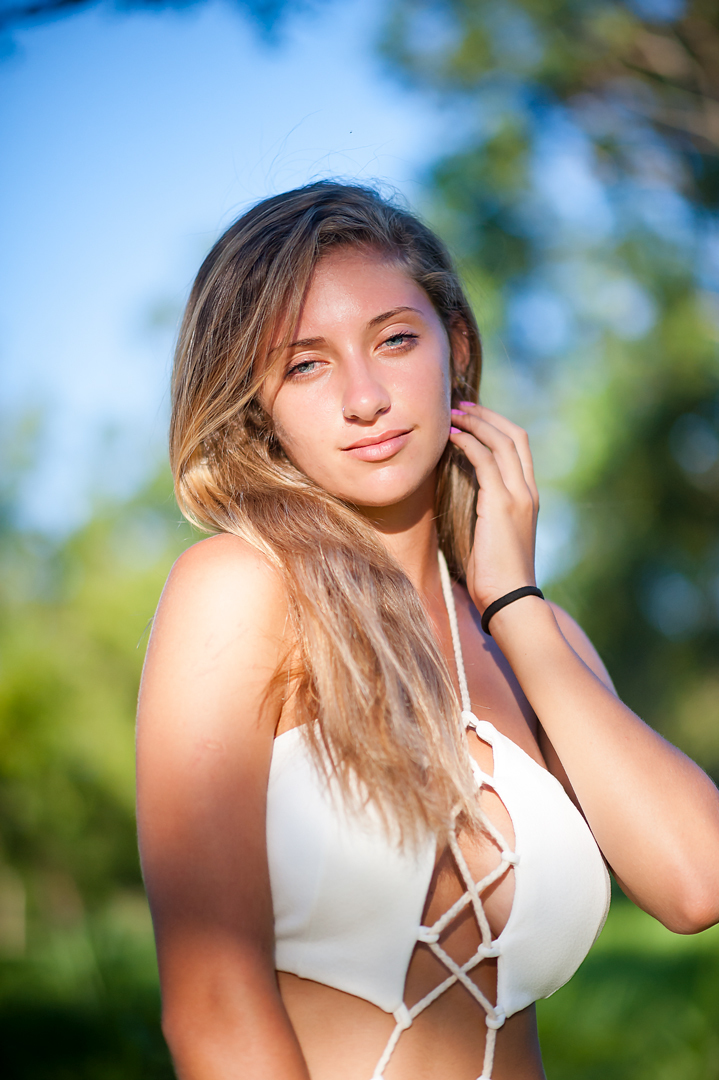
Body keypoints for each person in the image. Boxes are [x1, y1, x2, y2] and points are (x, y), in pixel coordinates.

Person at [136, 181, 719, 1080]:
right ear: (257, 404)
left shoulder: (536, 637)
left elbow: (695, 881)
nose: (364, 397)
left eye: (395, 340)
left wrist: (512, 602)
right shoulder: (240, 589)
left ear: (457, 347)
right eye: (305, 364)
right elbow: (211, 1005)